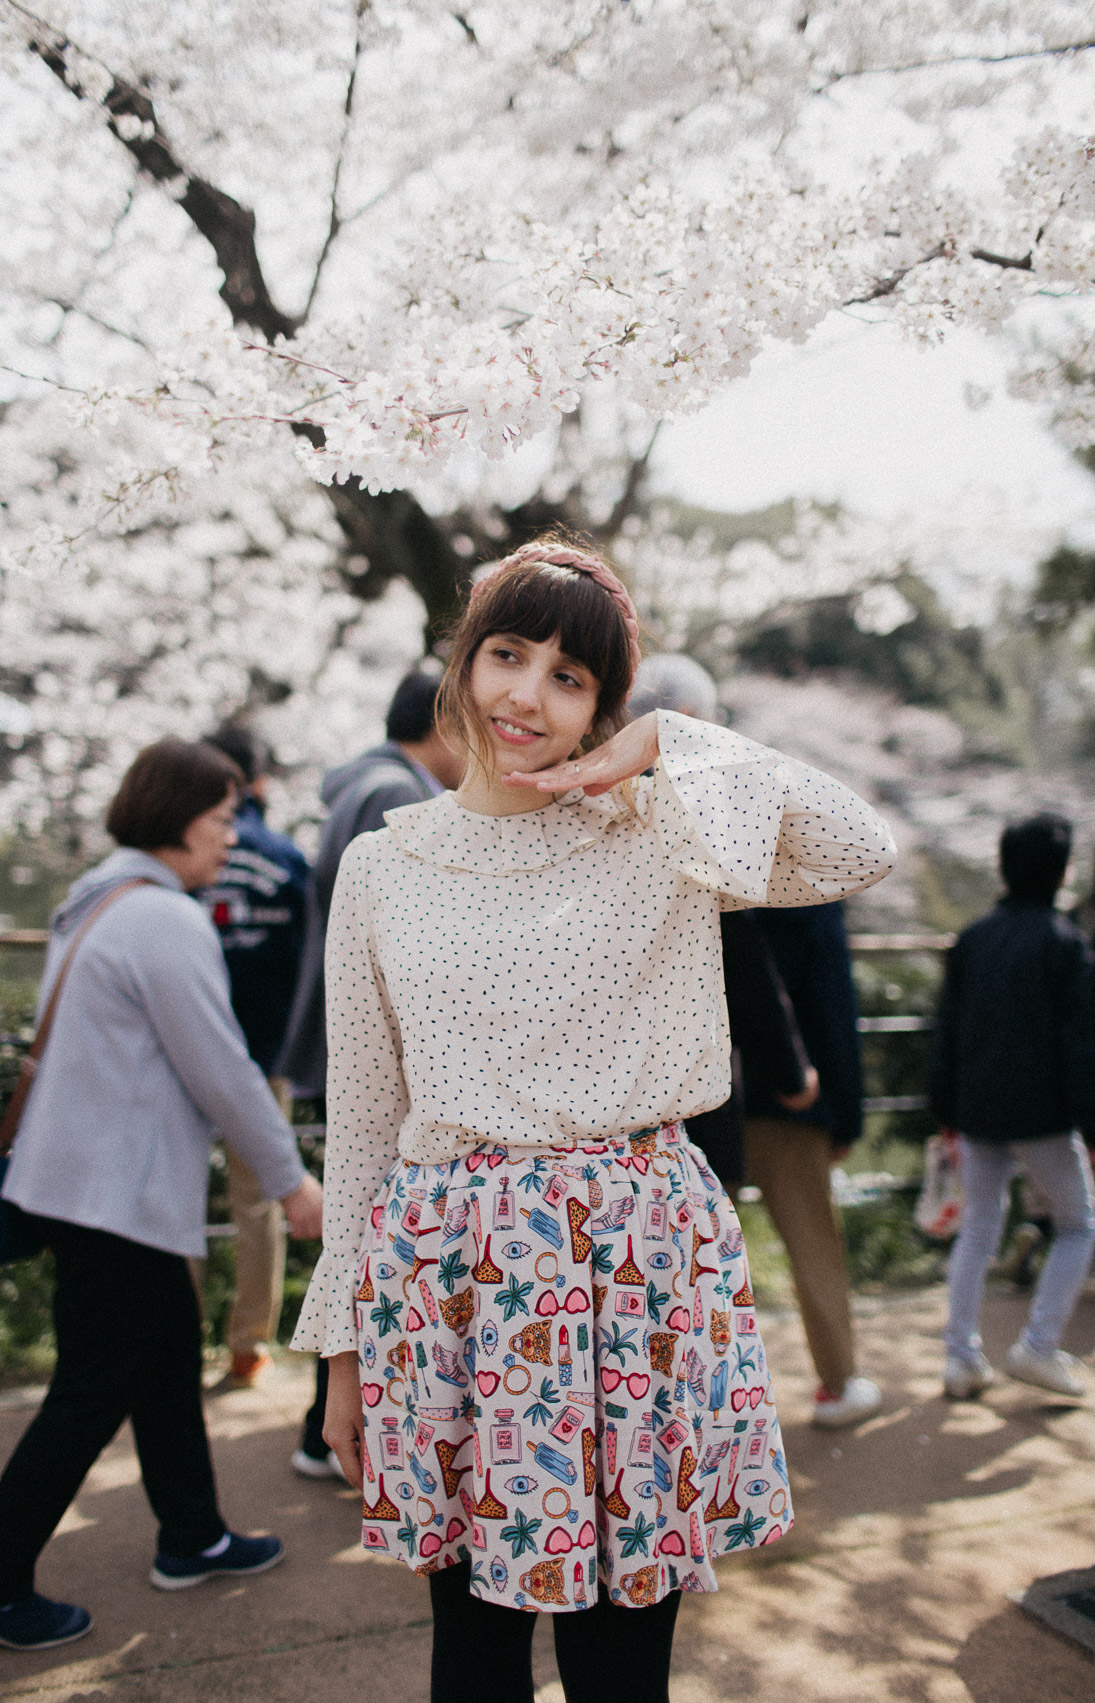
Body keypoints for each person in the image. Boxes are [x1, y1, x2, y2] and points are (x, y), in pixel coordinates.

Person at [292, 537, 896, 1703]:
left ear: (600, 710)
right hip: (454, 1282)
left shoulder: (659, 830)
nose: (526, 694)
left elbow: (855, 844)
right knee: (471, 1648)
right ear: (460, 665)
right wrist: (343, 1353)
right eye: (507, 655)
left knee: (625, 1657)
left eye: (569, 677)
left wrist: (671, 742)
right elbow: (363, 1123)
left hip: (640, 1268)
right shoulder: (382, 863)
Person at [0, 739, 323, 1654]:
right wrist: (289, 1179)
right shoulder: (162, 920)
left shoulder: (96, 897)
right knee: (88, 1392)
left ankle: (191, 1533)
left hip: (85, 1185)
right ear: (176, 819)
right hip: (113, 1196)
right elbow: (226, 1071)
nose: (230, 838)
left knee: (162, 1361)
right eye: (219, 820)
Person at [281, 669, 462, 1479]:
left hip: (350, 1033)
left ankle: (325, 1418)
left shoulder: (362, 781)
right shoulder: (391, 799)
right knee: (370, 1207)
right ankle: (331, 1421)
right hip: (366, 1042)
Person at [629, 655, 818, 1192]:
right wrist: (791, 1071)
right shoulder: (698, 813)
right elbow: (743, 962)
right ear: (686, 717)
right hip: (688, 1088)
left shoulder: (584, 804)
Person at [931, 813, 1095, 1401]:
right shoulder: (1064, 943)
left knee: (978, 1229)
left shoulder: (974, 938)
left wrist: (944, 1108)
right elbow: (1082, 1046)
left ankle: (960, 1357)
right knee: (1078, 1225)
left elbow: (944, 1028)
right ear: (1061, 871)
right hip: (1043, 1117)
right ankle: (1039, 1345)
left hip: (976, 1113)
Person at [741, 903, 884, 1428]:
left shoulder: (709, 880)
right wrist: (845, 1117)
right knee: (813, 1245)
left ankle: (688, 1401)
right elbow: (832, 1010)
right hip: (794, 1100)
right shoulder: (810, 899)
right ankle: (839, 1383)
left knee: (693, 1258)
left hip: (706, 1101)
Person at [198, 724, 309, 1388]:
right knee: (259, 1199)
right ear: (261, 782)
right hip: (264, 1052)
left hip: (183, 1054)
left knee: (178, 1195)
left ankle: (176, 1333)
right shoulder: (287, 857)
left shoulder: (187, 847)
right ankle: (249, 1343)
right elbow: (308, 958)